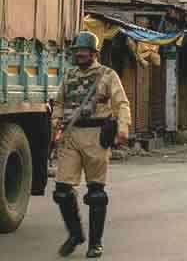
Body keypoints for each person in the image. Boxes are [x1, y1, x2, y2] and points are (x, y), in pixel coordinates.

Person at [51, 31, 131, 258]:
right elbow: (59, 102)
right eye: (77, 50)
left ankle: (95, 243)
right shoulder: (69, 75)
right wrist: (56, 120)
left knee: (96, 193)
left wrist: (123, 128)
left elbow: (121, 103)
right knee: (62, 191)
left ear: (94, 53)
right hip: (71, 136)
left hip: (96, 136)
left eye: (84, 51)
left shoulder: (107, 75)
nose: (80, 54)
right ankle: (75, 234)